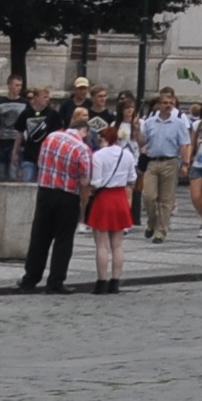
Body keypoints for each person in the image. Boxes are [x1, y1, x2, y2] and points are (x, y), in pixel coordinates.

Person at [14, 104, 96, 294]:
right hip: (67, 196)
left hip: (44, 192)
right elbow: (85, 179)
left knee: (39, 237)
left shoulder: (50, 138)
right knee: (63, 240)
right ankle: (55, 282)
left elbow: (41, 162)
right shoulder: (82, 149)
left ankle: (30, 279)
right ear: (84, 130)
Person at [81, 114, 140, 292]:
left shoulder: (98, 155)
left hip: (104, 199)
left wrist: (89, 186)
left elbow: (97, 181)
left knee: (101, 244)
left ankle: (101, 282)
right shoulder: (128, 154)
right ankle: (115, 282)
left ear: (104, 138)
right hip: (120, 198)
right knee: (118, 244)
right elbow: (132, 178)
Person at [137, 95, 190, 244]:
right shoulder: (149, 122)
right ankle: (152, 221)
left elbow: (184, 144)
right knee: (148, 196)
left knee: (166, 199)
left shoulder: (178, 123)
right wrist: (136, 130)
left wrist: (185, 164)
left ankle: (161, 231)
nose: (168, 105)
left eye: (171, 103)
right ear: (158, 105)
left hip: (170, 161)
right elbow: (142, 142)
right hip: (152, 162)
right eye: (165, 103)